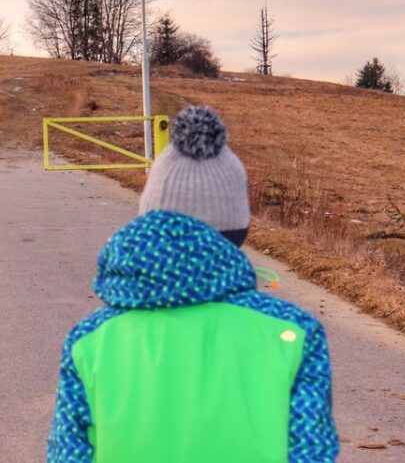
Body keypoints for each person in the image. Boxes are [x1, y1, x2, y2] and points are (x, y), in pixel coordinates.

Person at [47, 106, 339, 463]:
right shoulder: (295, 333)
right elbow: (312, 451)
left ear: (149, 219)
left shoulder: (91, 339)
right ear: (238, 227)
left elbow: (68, 455)